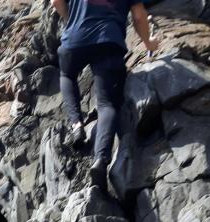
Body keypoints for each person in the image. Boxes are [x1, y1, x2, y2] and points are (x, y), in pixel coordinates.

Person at [51, 0, 159, 189]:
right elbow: (139, 16)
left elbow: (56, 2)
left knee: (67, 75)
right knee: (107, 104)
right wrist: (148, 43)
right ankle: (100, 161)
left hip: (75, 38)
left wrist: (71, 21)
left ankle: (76, 124)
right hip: (108, 40)